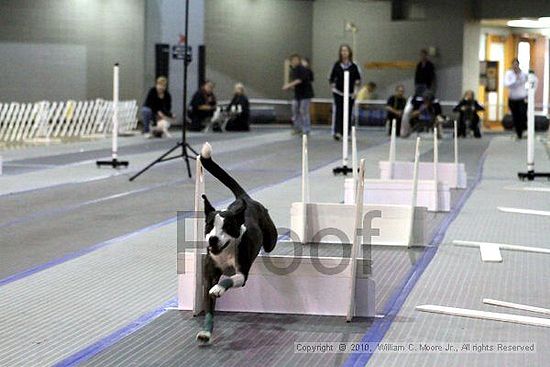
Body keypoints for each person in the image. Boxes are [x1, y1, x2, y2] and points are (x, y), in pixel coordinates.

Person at [329, 44, 362, 141]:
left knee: (348, 112)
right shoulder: (336, 65)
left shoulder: (354, 66)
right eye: (342, 51)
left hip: (350, 93)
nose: (344, 53)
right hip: (338, 92)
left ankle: (346, 133)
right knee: (338, 112)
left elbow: (358, 79)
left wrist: (356, 87)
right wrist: (332, 85)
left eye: (346, 51)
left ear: (349, 52)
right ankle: (337, 132)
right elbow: (331, 78)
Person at [282, 54, 314, 135]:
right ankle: (297, 128)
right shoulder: (293, 70)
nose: (294, 61)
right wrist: (291, 87)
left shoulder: (302, 69)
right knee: (295, 110)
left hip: (306, 94)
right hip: (298, 94)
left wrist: (288, 85)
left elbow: (299, 80)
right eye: (292, 60)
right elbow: (294, 81)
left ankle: (306, 129)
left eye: (295, 59)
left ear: (298, 60)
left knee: (304, 111)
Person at [504, 58, 528, 139]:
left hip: (522, 98)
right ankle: (519, 133)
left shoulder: (523, 74)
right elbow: (507, 84)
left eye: (516, 64)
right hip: (513, 98)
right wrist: (515, 79)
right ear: (512, 65)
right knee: (515, 116)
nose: (515, 66)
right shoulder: (509, 74)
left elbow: (531, 80)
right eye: (513, 64)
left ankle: (523, 129)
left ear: (518, 65)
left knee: (523, 114)